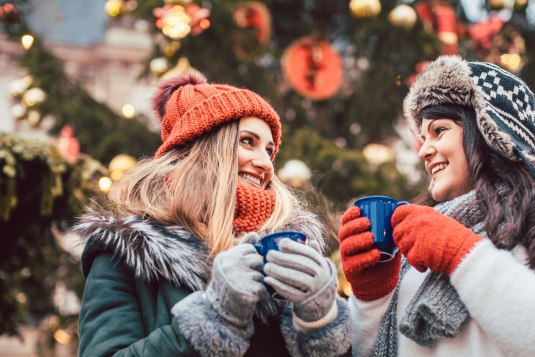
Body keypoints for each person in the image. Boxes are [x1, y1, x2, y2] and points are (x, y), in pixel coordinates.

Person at [74, 72, 352, 356]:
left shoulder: (290, 248)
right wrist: (213, 317)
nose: (265, 163)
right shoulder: (127, 252)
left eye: (269, 150)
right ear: (203, 149)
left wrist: (321, 321)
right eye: (247, 142)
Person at [338, 55, 535, 356]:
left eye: (438, 130)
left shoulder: (525, 227)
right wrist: (372, 298)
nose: (424, 151)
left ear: (487, 131)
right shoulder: (417, 249)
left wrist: (461, 254)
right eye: (421, 137)